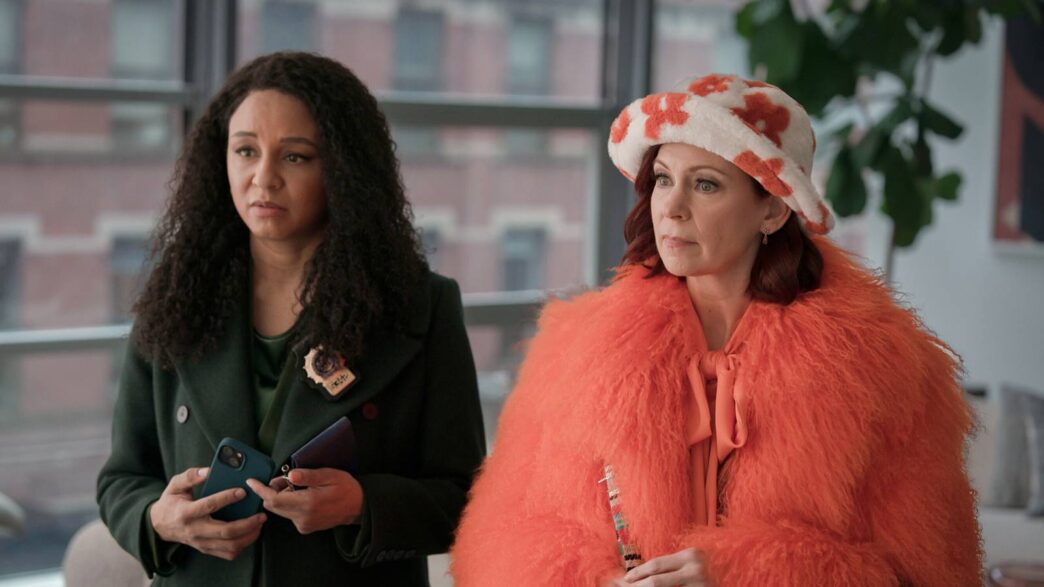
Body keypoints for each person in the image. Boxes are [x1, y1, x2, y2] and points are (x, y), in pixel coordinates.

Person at [450, 74, 981, 586]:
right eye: (663, 179)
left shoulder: (879, 369)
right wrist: (597, 581)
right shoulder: (574, 350)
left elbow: (931, 571)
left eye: (705, 184)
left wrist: (752, 574)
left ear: (772, 211)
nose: (672, 208)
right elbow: (501, 535)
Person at [96, 51, 486, 586]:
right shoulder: (176, 297)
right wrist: (157, 519)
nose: (264, 178)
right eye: (245, 151)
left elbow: (464, 497)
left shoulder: (420, 307)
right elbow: (121, 478)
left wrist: (362, 505)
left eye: (296, 157)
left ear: (343, 169)